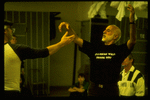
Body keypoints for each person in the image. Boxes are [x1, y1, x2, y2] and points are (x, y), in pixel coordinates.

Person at [59, 4, 136, 96]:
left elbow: (132, 40)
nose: (104, 31)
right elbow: (75, 38)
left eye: (108, 30)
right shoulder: (95, 48)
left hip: (110, 90)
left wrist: (131, 20)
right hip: (94, 89)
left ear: (115, 36)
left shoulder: (119, 50)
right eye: (105, 30)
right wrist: (68, 27)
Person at [4, 20, 75, 97]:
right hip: (11, 92)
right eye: (10, 29)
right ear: (5, 31)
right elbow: (44, 52)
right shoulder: (16, 49)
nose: (12, 31)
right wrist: (62, 43)